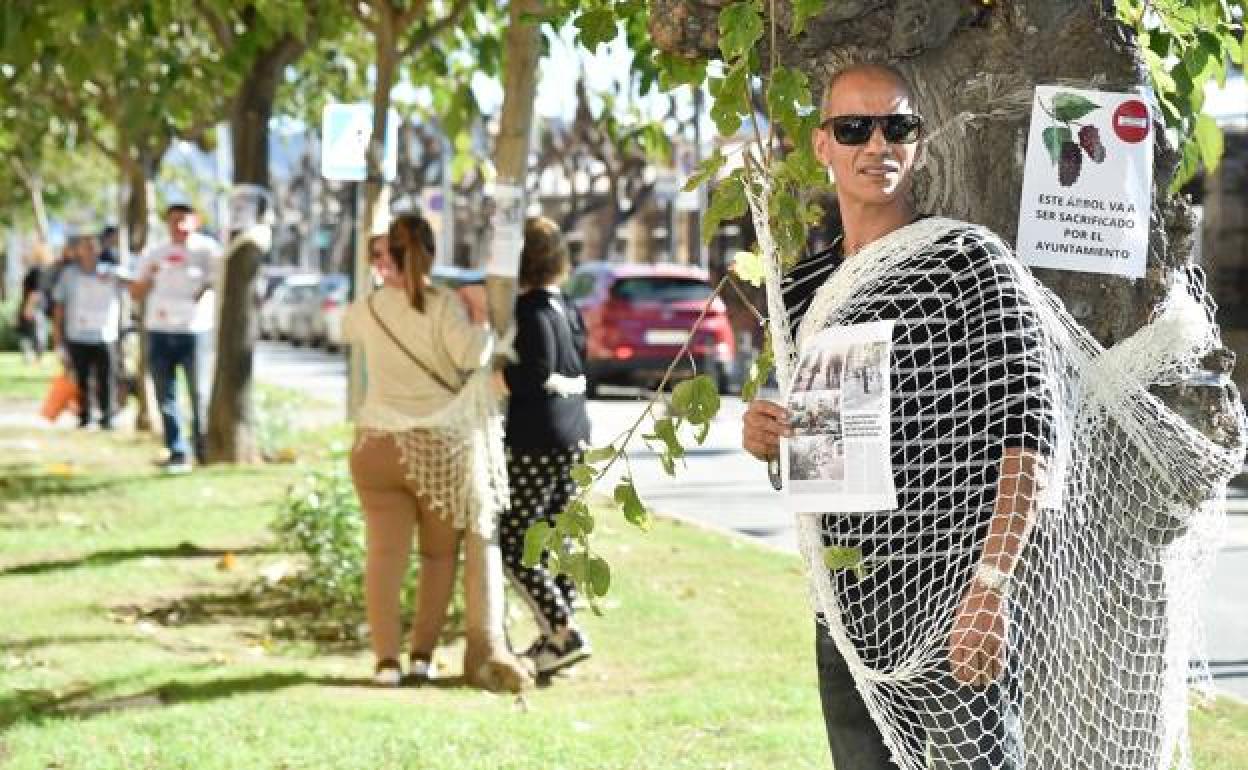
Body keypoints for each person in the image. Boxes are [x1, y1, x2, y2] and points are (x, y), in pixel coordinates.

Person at [742, 63, 1056, 768]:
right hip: (845, 605)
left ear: (918, 142)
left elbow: (1029, 437)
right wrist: (767, 441)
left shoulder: (966, 263)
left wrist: (991, 588)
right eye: (854, 127)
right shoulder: (799, 292)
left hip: (951, 596)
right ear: (822, 144)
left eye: (897, 126)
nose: (875, 144)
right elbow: (806, 450)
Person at [344, 213, 530, 691]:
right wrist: (483, 320)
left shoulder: (366, 309)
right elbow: (472, 356)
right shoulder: (442, 305)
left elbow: (343, 332)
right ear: (429, 252)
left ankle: (385, 663)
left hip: (376, 445)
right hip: (438, 448)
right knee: (437, 558)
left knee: (384, 555)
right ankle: (422, 658)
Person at [499, 216, 593, 676]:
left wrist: (496, 372)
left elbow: (530, 375)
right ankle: (559, 640)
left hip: (539, 436)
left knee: (516, 541)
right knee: (562, 537)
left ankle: (563, 630)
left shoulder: (529, 312)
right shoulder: (568, 307)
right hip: (576, 432)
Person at [128, 203, 223, 473]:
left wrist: (201, 290)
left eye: (184, 220)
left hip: (195, 331)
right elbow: (135, 291)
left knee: (198, 393)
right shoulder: (155, 253)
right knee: (165, 395)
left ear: (196, 221)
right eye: (173, 221)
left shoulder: (208, 251)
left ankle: (203, 449)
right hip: (159, 330)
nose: (178, 226)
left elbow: (219, 282)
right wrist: (151, 276)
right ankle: (177, 451)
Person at [50, 234, 124, 430]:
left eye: (93, 247)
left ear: (99, 249)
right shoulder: (68, 274)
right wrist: (57, 337)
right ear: (78, 251)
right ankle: (84, 416)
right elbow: (59, 306)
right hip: (77, 335)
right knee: (81, 378)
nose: (89, 251)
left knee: (107, 377)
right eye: (85, 247)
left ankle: (107, 417)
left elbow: (131, 284)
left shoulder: (111, 272)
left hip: (105, 335)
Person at [16, 241, 51, 364]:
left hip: (34, 307)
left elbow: (35, 291)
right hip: (35, 307)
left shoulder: (37, 271)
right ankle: (34, 359)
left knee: (35, 334)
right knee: (34, 334)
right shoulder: (40, 270)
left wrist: (28, 308)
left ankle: (36, 359)